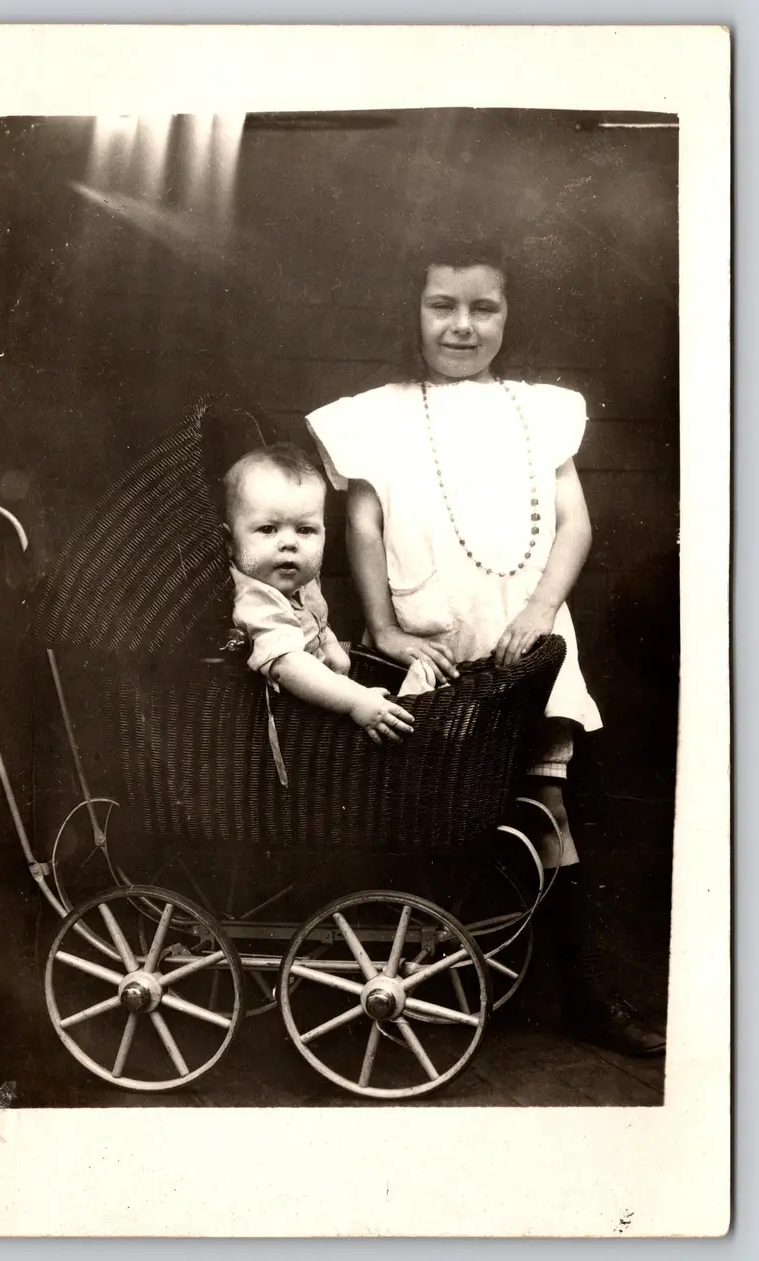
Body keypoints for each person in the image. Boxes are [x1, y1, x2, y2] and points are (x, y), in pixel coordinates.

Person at [305, 239, 665, 1056]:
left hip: (518, 634)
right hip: (430, 634)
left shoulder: (539, 411)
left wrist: (540, 608)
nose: (462, 325)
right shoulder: (376, 414)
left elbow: (575, 523)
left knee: (544, 806)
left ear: (508, 315)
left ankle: (585, 991)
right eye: (442, 306)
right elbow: (364, 524)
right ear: (413, 311)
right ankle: (427, 976)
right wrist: (385, 628)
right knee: (434, 808)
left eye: (483, 307)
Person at [224, 443, 416, 746]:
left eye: (305, 530)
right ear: (230, 543)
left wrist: (329, 644)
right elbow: (288, 666)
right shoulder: (257, 601)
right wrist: (356, 701)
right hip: (287, 725)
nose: (289, 543)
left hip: (317, 695)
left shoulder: (294, 577)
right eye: (268, 529)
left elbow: (315, 620)